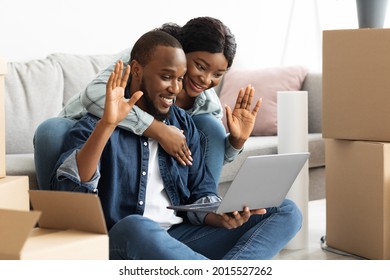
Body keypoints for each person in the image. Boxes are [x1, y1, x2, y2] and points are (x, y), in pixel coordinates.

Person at [50, 30, 302, 260]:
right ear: (136, 70)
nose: (175, 88)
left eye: (180, 78)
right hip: (127, 238)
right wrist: (107, 124)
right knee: (137, 225)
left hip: (181, 237)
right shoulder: (97, 122)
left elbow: (200, 193)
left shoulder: (185, 125)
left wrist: (222, 216)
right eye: (166, 77)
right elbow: (70, 194)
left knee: (286, 210)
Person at [34, 17, 256, 189]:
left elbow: (207, 156)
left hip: (141, 147)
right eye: (200, 66)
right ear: (181, 50)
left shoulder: (207, 103)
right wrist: (157, 129)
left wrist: (236, 142)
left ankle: (200, 213)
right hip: (93, 127)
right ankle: (56, 222)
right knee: (50, 131)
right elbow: (93, 96)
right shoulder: (147, 57)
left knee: (213, 127)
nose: (206, 80)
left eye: (218, 74)